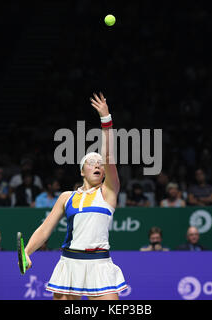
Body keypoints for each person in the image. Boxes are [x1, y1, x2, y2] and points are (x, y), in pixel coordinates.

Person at [23, 92, 127, 300]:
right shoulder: (66, 197)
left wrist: (106, 120)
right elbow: (45, 229)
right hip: (70, 264)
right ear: (82, 171)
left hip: (99, 264)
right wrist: (26, 252)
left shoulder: (108, 192)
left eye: (100, 164)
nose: (97, 164)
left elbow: (108, 156)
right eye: (91, 162)